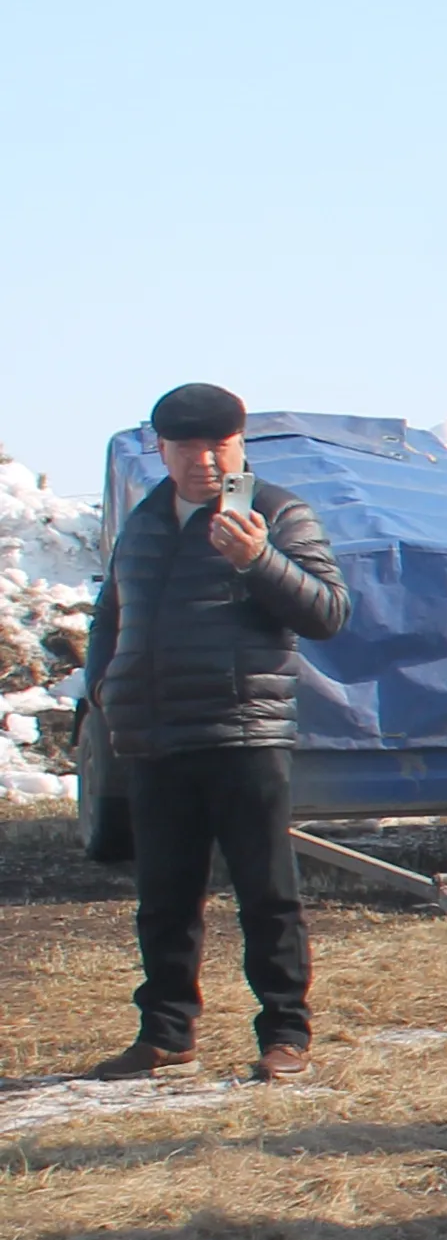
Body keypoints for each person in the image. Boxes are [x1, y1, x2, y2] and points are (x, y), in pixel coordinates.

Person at [81, 382, 351, 1083]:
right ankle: (166, 1031)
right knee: (164, 895)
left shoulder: (275, 512)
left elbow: (328, 613)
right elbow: (111, 612)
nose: (205, 460)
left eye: (220, 446)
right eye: (187, 446)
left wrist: (258, 561)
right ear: (162, 450)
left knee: (267, 893)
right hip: (157, 739)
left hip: (244, 733)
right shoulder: (144, 521)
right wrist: (103, 687)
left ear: (239, 447)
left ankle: (285, 1034)